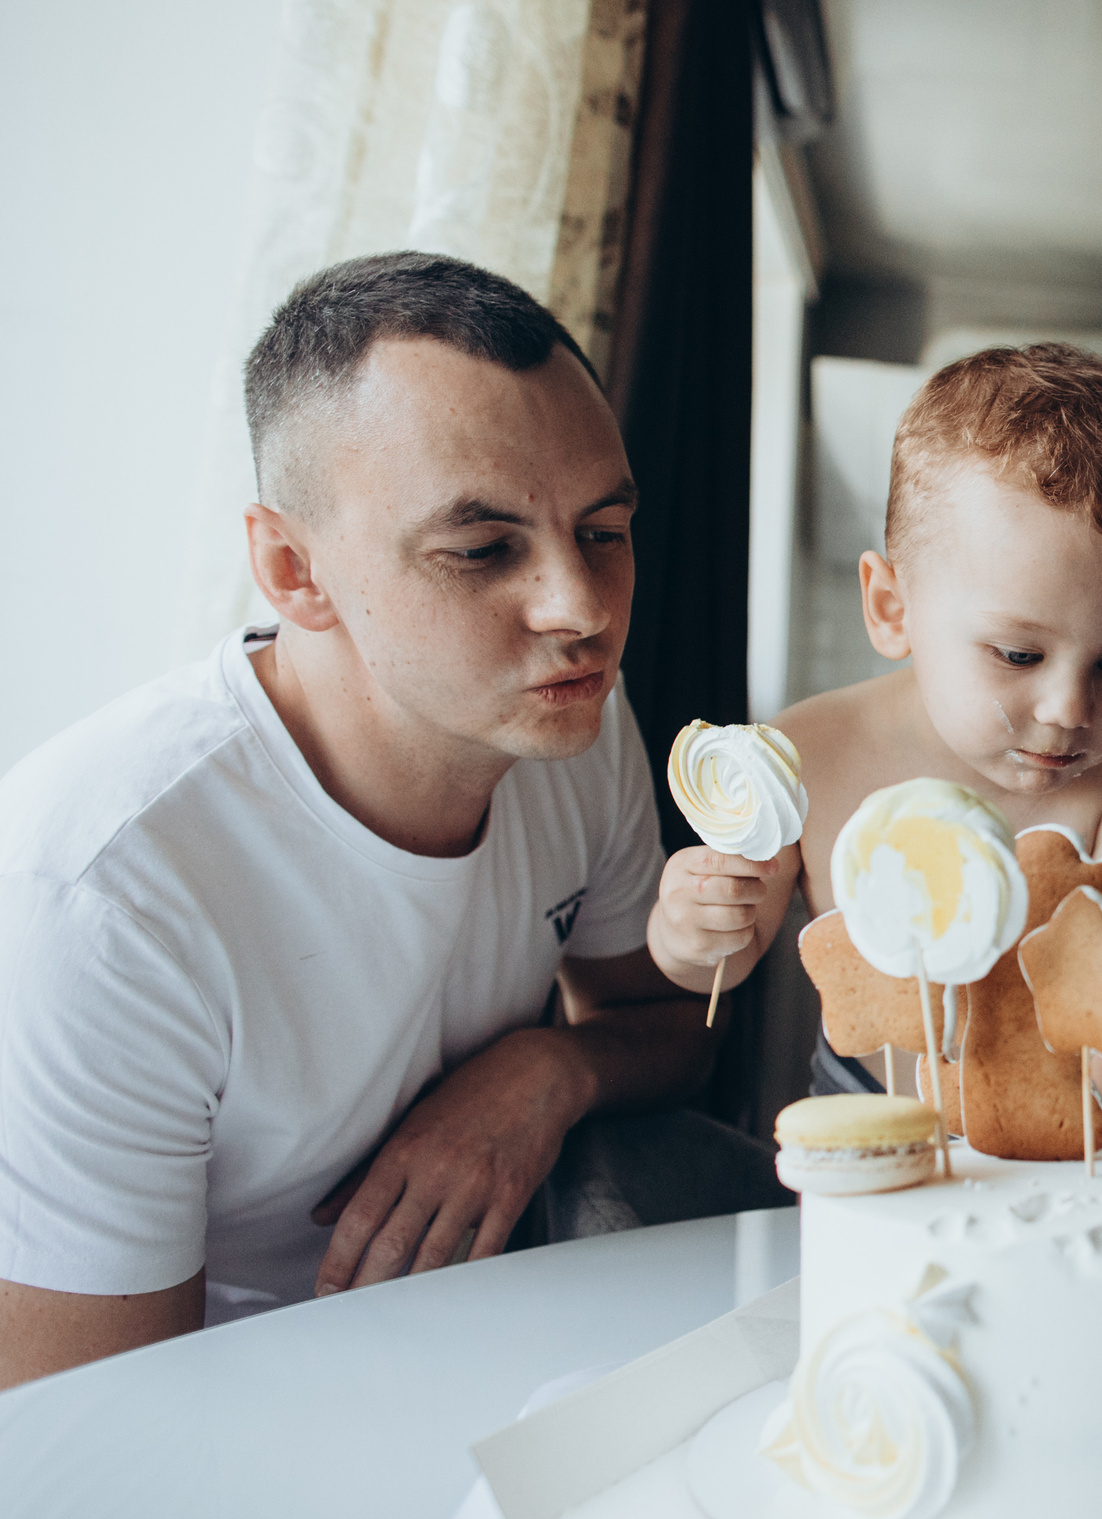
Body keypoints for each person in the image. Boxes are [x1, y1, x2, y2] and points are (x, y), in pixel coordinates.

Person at [0, 253, 739, 1389]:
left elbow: (667, 1024)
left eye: (604, 529)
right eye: (484, 549)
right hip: (222, 1396)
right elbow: (75, 1429)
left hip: (476, 1331)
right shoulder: (103, 891)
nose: (583, 611)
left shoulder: (568, 718)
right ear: (293, 569)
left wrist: (546, 1071)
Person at [647, 344, 1102, 1111]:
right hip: (868, 1106)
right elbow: (720, 968)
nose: (1070, 709)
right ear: (892, 609)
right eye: (1017, 652)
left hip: (1053, 1121)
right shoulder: (811, 751)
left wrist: (1095, 1129)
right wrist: (689, 930)